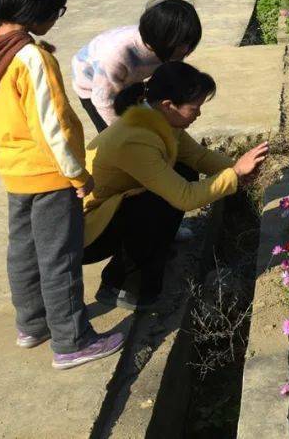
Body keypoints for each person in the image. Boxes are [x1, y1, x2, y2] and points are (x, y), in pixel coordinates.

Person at [0, 0, 124, 369]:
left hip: (13, 171)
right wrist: (77, 173)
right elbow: (52, 124)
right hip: (49, 174)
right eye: (57, 10)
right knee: (60, 256)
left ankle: (33, 323)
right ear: (37, 10)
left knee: (23, 250)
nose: (56, 19)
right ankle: (72, 340)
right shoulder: (30, 57)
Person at [83, 61, 268, 310]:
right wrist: (234, 174)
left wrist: (245, 170)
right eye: (195, 108)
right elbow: (185, 198)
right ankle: (123, 285)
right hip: (87, 233)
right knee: (157, 203)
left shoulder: (159, 120)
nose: (199, 114)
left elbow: (199, 157)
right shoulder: (136, 137)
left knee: (185, 170)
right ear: (169, 105)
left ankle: (149, 251)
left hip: (112, 213)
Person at [72, 0, 203, 132]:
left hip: (129, 80)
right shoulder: (117, 56)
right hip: (94, 86)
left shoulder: (171, 48)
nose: (188, 50)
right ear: (163, 40)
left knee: (148, 124)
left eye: (191, 43)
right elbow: (104, 101)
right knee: (114, 137)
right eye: (183, 44)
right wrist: (123, 132)